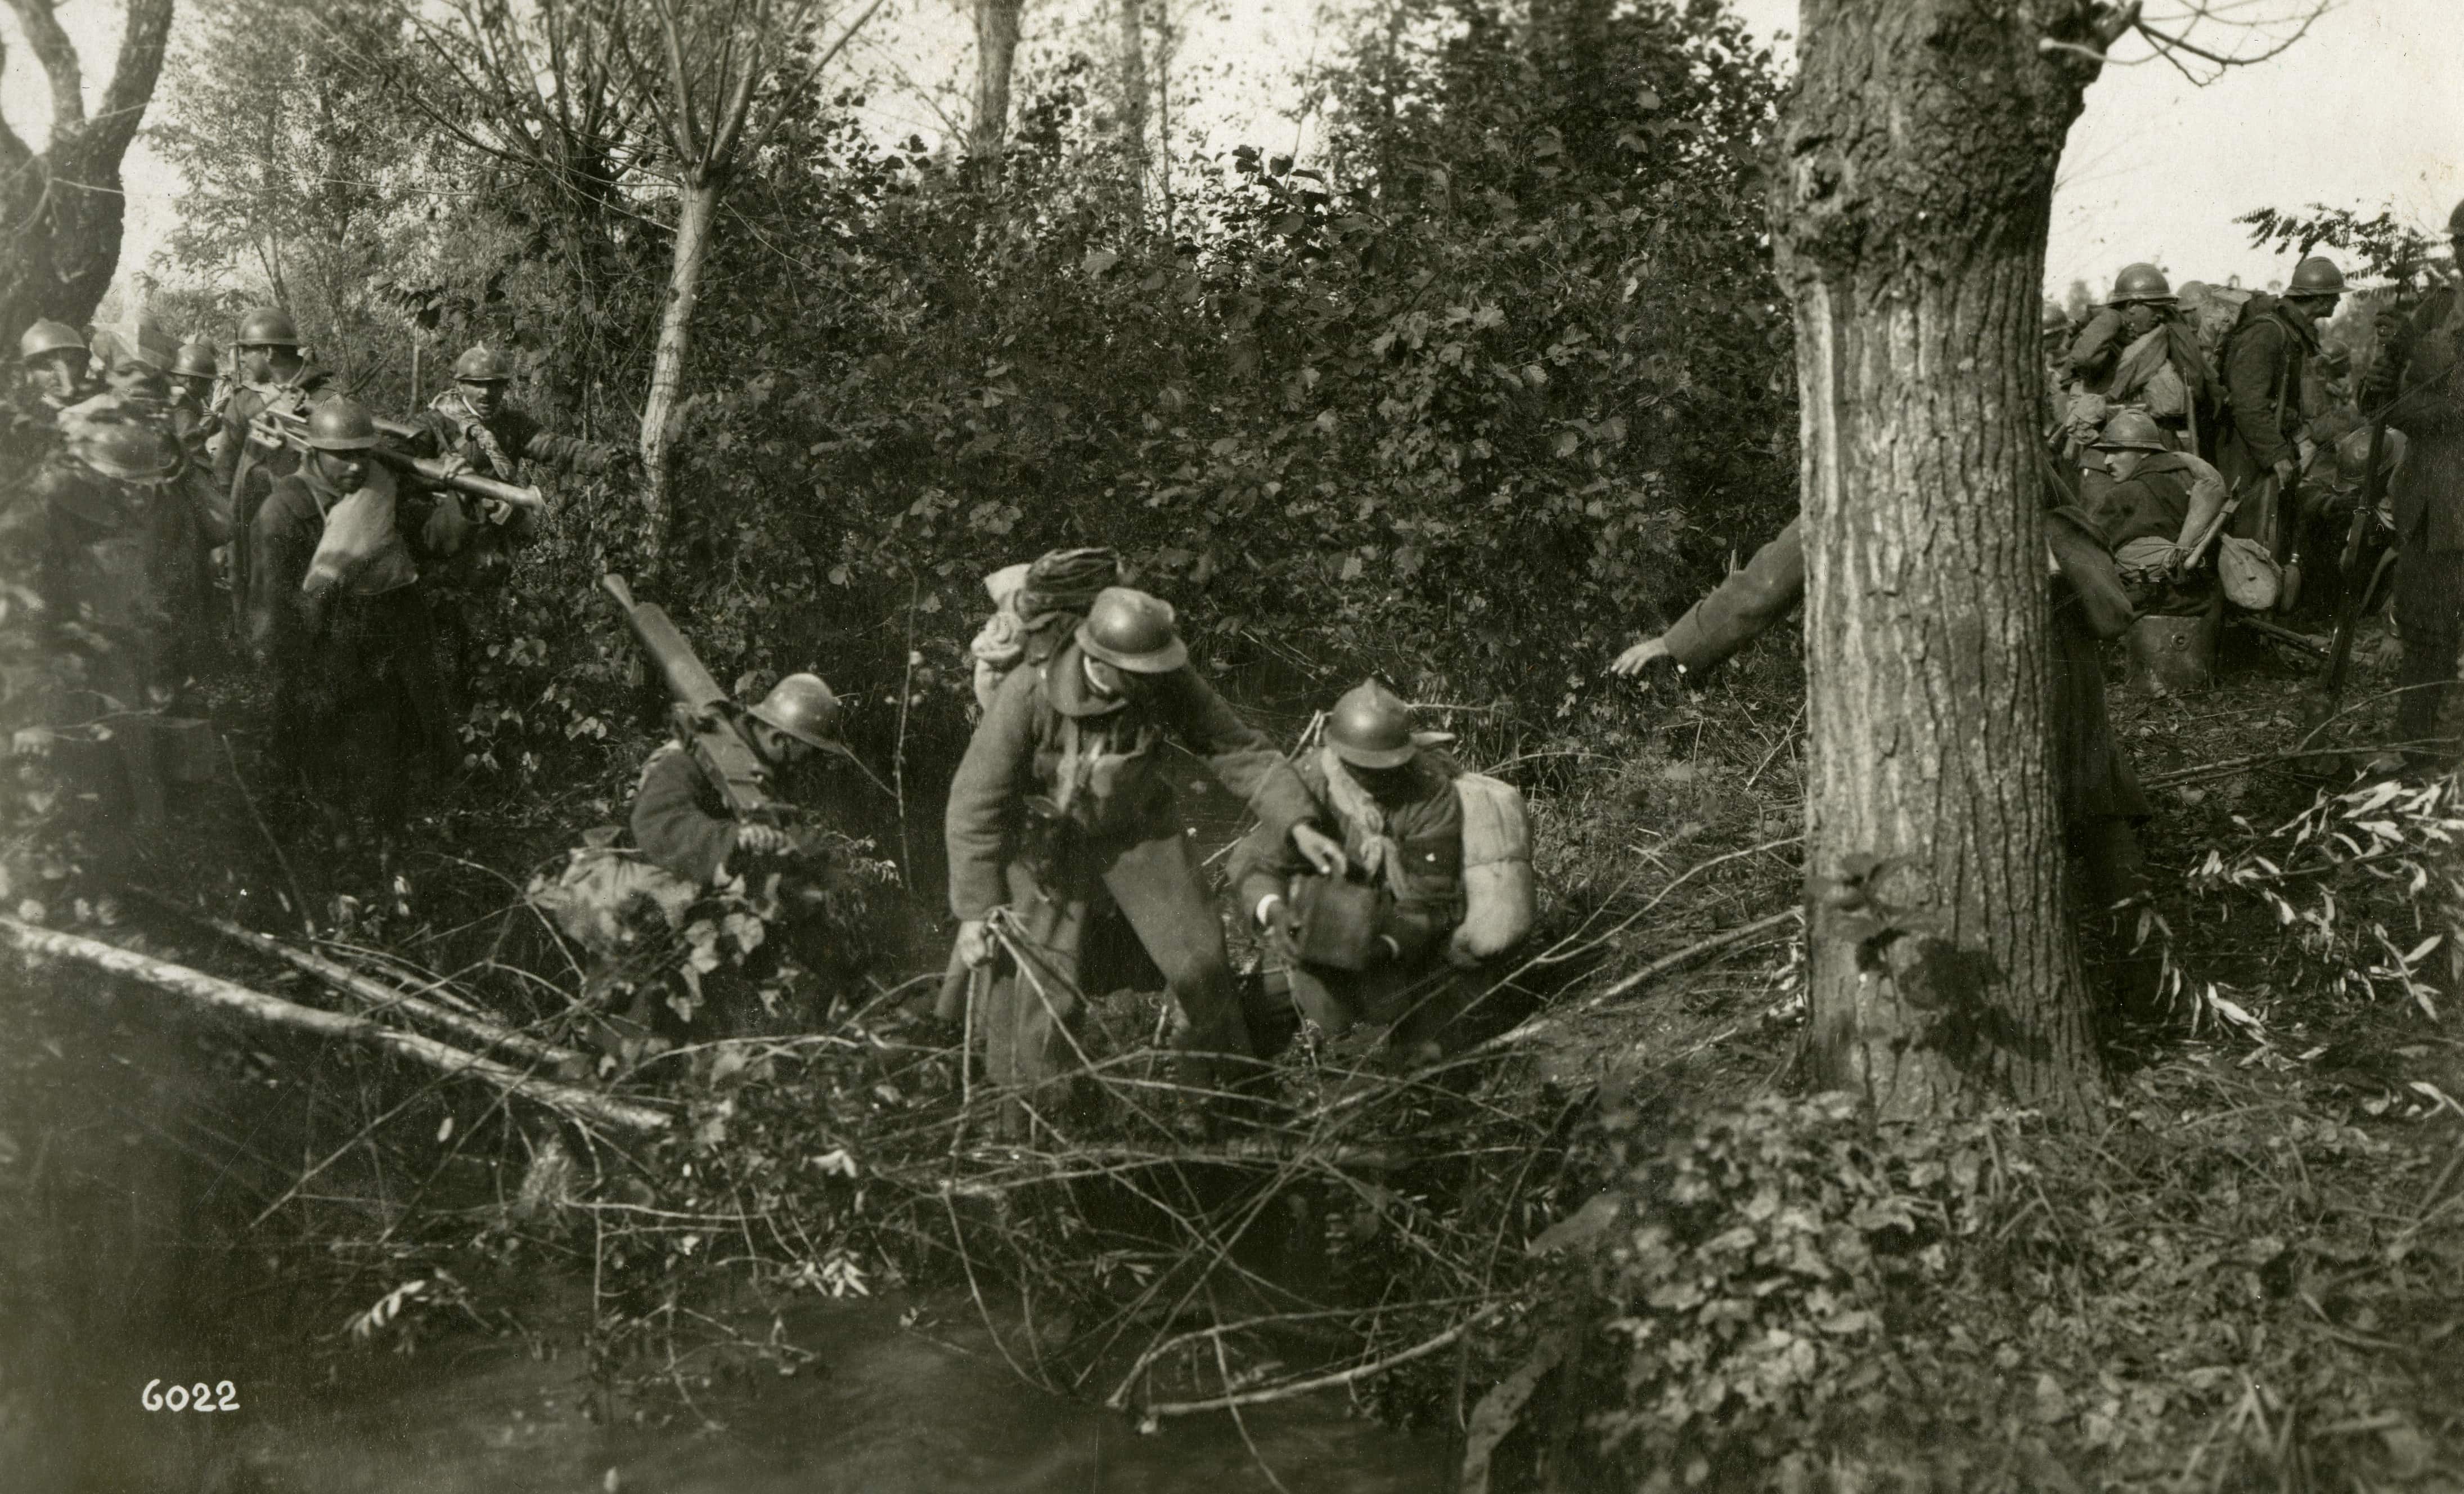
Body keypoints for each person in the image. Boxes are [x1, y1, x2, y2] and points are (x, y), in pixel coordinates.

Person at [1609, 504, 2151, 923]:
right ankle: (2142, 974)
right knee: (2087, 804)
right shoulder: (2000, 425)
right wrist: (1682, 643)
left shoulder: (1886, 440)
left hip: (1995, 673)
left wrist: (1680, 643)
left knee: (2024, 819)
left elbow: (1775, 573)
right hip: (2043, 658)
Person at [943, 586, 1344, 1113]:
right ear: (1097, 661)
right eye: (1136, 673)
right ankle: (1038, 1122)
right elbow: (976, 805)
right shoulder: (1028, 694)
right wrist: (974, 911)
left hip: (1139, 829)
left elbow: (1234, 746)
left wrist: (1297, 821)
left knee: (1201, 960)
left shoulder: (1163, 678)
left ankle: (1224, 1103)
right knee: (1042, 990)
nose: (1150, 683)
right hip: (1049, 845)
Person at [1227, 680, 1528, 1063]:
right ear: (1336, 754)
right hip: (1320, 932)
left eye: (1388, 767)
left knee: (1426, 1055)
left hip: (1405, 944)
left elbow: (1433, 900)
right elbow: (1256, 863)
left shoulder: (1429, 793)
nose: (1375, 777)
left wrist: (1383, 945)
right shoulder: (1307, 780)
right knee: (1242, 1023)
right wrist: (1275, 913)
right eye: (1361, 768)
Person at [242, 398, 450, 849]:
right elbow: (269, 605)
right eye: (343, 455)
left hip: (381, 656)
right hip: (321, 659)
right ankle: (338, 856)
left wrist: (462, 507)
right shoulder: (283, 510)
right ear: (314, 452)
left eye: (364, 454)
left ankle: (386, 853)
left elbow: (433, 540)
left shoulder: (379, 495)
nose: (356, 466)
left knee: (386, 764)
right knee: (325, 771)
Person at [2361, 198, 2464, 770]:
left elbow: (2449, 409)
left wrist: (2399, 398)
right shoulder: (2442, 305)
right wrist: (2382, 374)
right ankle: (2416, 743)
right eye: (2458, 243)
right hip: (2430, 499)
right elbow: (2376, 396)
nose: (2461, 254)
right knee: (2424, 627)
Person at [630, 674, 852, 889]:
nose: (806, 764)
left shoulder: (762, 765)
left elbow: (790, 834)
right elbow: (657, 823)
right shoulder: (693, 757)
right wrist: (736, 838)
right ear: (778, 739)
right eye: (806, 755)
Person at [2217, 256, 2346, 559]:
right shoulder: (2268, 332)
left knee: (2271, 538)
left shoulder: (2293, 332)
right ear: (2317, 298)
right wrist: (2274, 454)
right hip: (2249, 454)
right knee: (2247, 541)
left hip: (2270, 448)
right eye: (2334, 294)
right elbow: (2247, 402)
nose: (2339, 299)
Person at [217, 308, 335, 626]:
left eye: (246, 352)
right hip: (249, 519)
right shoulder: (243, 401)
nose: (241, 360)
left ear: (268, 352)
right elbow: (224, 471)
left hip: (311, 524)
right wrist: (223, 535)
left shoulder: (328, 398)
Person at [2065, 263, 2223, 463]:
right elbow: (2084, 358)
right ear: (2131, 307)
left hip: (2152, 444)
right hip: (2108, 447)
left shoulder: (2159, 335)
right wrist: (2113, 319)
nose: (2161, 314)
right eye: (2155, 307)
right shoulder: (2109, 333)